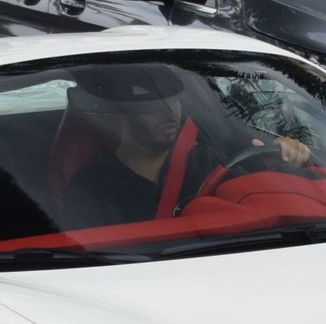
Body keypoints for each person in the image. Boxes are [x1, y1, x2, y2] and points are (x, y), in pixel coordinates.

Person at [59, 65, 311, 229]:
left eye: (173, 102)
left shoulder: (208, 162)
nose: (170, 112)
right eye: (153, 105)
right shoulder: (92, 185)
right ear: (123, 115)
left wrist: (286, 164)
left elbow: (258, 203)